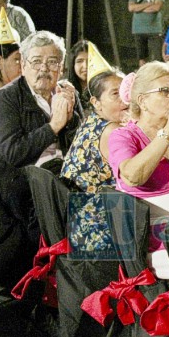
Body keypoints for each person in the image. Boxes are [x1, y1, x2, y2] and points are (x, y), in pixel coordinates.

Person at [108, 61, 169, 279]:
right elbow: (131, 176)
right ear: (142, 101)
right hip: (156, 239)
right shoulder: (123, 136)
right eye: (164, 91)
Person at [60, 45, 128, 254]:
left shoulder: (93, 121)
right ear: (96, 102)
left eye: (126, 92)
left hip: (76, 221)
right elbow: (132, 178)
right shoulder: (112, 130)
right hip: (97, 228)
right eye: (115, 94)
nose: (125, 100)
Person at [0, 30, 82, 169]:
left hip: (67, 170)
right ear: (23, 66)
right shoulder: (5, 99)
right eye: (36, 62)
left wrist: (71, 119)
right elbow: (13, 154)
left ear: (61, 69)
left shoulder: (67, 94)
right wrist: (53, 127)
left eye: (52, 62)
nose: (44, 68)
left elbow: (85, 147)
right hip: (26, 179)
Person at [128, 0, 164, 67]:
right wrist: (149, 4)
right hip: (138, 29)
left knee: (157, 60)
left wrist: (138, 8)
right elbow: (131, 8)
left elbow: (156, 7)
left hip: (154, 29)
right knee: (142, 59)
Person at [65, 40, 90, 110]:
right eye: (80, 61)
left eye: (89, 60)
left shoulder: (104, 89)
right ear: (73, 64)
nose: (85, 66)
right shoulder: (66, 89)